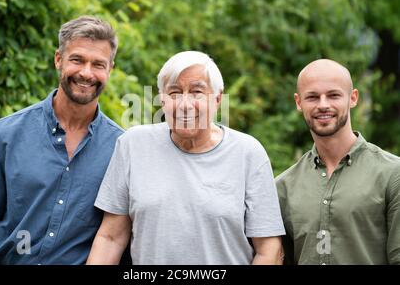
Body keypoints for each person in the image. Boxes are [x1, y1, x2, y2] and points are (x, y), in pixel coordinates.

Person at [0, 16, 124, 264]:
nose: (86, 73)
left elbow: (118, 241)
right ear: (58, 59)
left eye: (98, 64)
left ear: (110, 69)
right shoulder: (3, 136)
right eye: (77, 60)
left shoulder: (121, 149)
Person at [86, 51, 285, 265]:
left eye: (197, 92)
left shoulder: (248, 153)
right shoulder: (133, 145)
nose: (185, 105)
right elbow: (111, 238)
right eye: (175, 92)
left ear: (217, 99)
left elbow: (269, 249)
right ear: (162, 100)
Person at [276, 59, 400, 265]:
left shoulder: (392, 174)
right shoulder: (283, 187)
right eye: (313, 97)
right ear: (299, 103)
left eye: (333, 95)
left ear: (353, 98)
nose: (323, 105)